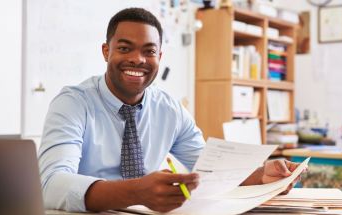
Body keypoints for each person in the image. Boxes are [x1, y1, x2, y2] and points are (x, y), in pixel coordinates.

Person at [38, 7, 300, 213]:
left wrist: (262, 174)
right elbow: (50, 184)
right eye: (124, 48)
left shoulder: (169, 109)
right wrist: (136, 192)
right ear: (106, 51)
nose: (137, 59)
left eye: (148, 51)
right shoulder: (73, 103)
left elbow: (208, 169)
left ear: (159, 58)